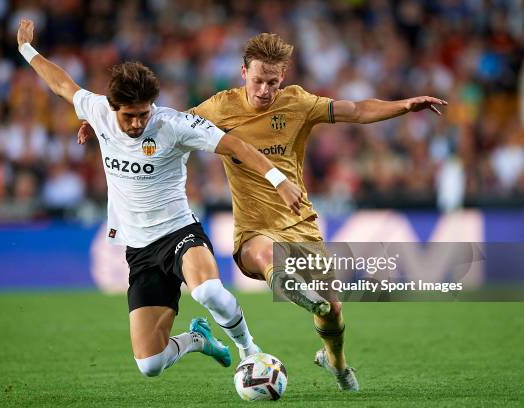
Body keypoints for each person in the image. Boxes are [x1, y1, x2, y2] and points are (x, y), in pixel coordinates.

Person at [78, 33, 447, 390]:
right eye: (257, 80)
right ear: (243, 73)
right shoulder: (220, 107)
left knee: (332, 313)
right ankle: (283, 309)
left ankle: (335, 360)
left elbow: (355, 109)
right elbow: (159, 126)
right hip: (253, 230)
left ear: (283, 76)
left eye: (272, 81)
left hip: (300, 226)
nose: (264, 90)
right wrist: (103, 123)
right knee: (267, 254)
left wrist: (404, 106)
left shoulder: (298, 103)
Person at [16, 20, 306, 378]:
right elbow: (61, 84)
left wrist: (278, 179)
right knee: (149, 364)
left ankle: (251, 352)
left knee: (210, 292)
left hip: (179, 232)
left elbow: (235, 145)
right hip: (139, 249)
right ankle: (197, 340)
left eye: (144, 113)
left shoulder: (173, 125)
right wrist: (26, 49)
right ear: (113, 106)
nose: (138, 123)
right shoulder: (98, 110)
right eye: (129, 116)